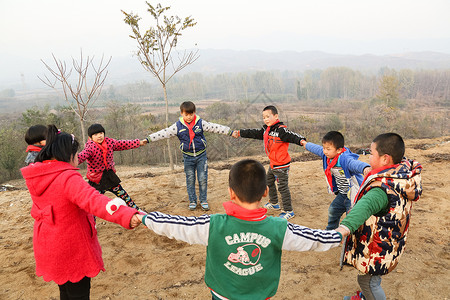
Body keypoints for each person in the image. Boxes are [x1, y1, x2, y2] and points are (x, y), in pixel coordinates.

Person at [139, 159, 343, 300]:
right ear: (265, 192)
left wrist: (145, 217)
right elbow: (314, 239)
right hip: (260, 295)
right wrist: (340, 233)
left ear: (231, 193)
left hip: (221, 294)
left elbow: (177, 225)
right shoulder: (278, 227)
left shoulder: (214, 224)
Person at [21, 125, 142, 300]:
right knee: (79, 294)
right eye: (76, 154)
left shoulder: (38, 174)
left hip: (49, 243)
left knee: (65, 291)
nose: (79, 157)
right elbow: (94, 201)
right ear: (67, 155)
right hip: (71, 247)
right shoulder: (67, 177)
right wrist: (127, 215)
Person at [335, 133, 423, 300]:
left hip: (378, 248)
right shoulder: (401, 176)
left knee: (368, 282)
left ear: (385, 159)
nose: (368, 156)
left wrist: (342, 229)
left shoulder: (380, 190)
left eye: (371, 153)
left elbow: (363, 208)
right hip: (391, 240)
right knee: (372, 280)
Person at [144, 101, 233, 211]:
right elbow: (164, 133)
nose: (189, 117)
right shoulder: (177, 126)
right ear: (181, 113)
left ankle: (203, 200)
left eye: (191, 114)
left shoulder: (200, 123)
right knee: (190, 179)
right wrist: (148, 139)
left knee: (202, 179)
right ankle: (192, 201)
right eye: (186, 114)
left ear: (194, 112)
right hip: (188, 157)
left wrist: (229, 131)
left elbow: (214, 127)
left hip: (201, 156)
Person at [232, 105, 306, 220]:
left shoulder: (281, 130)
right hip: (273, 163)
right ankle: (274, 203)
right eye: (264, 117)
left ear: (276, 116)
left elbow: (292, 136)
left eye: (268, 116)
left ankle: (288, 210)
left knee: (282, 187)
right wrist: (240, 132)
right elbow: (254, 133)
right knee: (268, 181)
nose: (266, 119)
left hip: (281, 164)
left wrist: (302, 141)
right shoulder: (266, 130)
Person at [300, 131, 370, 230]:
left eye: (328, 149)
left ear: (339, 150)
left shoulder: (345, 159)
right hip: (342, 194)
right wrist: (306, 144)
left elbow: (355, 164)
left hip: (354, 195)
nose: (325, 151)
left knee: (351, 217)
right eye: (324, 148)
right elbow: (317, 149)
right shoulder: (327, 156)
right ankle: (330, 232)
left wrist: (365, 168)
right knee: (333, 210)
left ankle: (352, 237)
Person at [78, 123, 147, 212]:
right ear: (90, 137)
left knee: (124, 196)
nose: (99, 136)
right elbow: (81, 156)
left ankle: (138, 212)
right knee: (94, 203)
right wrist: (70, 161)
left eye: (101, 133)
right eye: (95, 134)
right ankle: (91, 223)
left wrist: (139, 143)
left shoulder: (109, 142)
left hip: (110, 177)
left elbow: (123, 144)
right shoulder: (90, 147)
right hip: (97, 180)